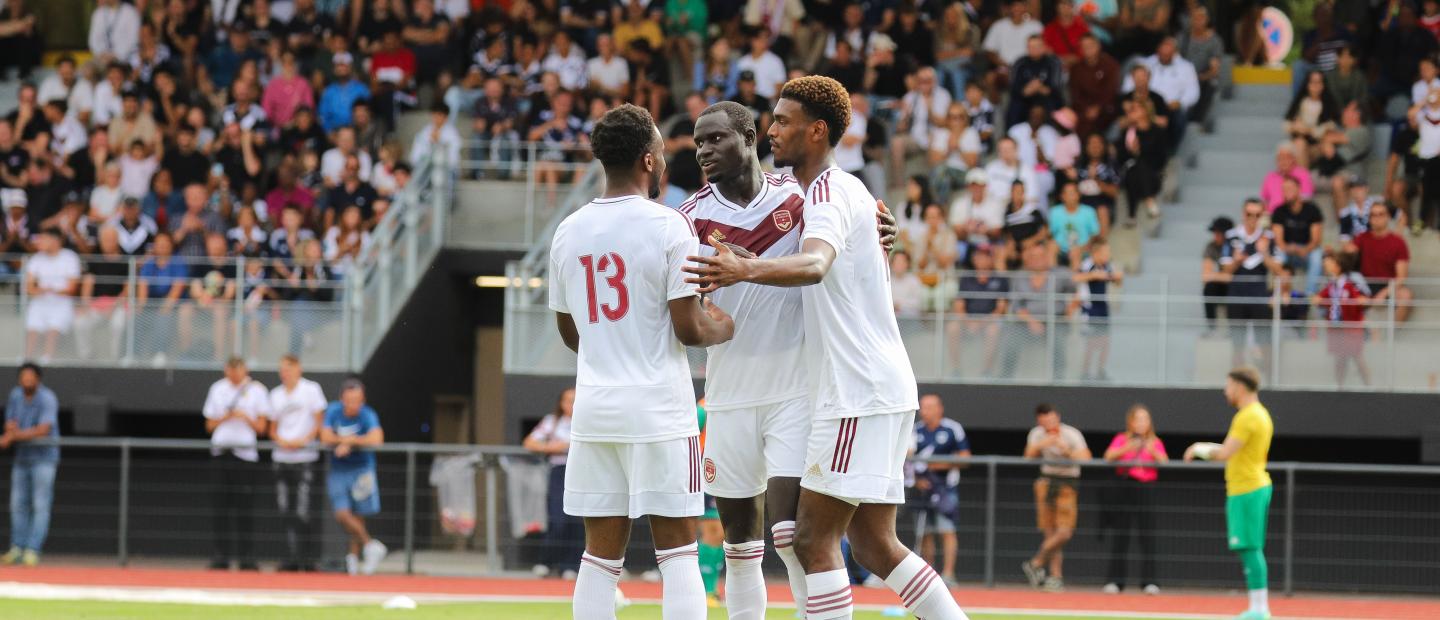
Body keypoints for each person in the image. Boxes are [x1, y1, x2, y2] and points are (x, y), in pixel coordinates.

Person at [684, 76, 969, 620]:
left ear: (817, 131)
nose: (773, 131)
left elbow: (814, 264)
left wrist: (744, 267)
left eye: (783, 121)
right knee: (872, 546)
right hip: (865, 387)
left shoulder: (825, 192)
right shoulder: (849, 190)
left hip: (853, 391)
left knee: (810, 540)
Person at [675, 98, 895, 620]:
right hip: (728, 393)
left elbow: (852, 237)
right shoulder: (687, 219)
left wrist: (889, 234)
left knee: (793, 535)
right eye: (699, 142)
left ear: (750, 137)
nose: (704, 150)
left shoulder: (801, 195)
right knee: (739, 542)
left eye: (716, 139)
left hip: (798, 392)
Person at [548, 103, 734, 619]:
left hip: (595, 411)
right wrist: (726, 324)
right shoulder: (669, 226)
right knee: (678, 554)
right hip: (659, 410)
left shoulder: (568, 230)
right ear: (650, 161)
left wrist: (613, 347)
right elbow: (690, 327)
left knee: (598, 557)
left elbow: (571, 331)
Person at [1184, 367, 1275, 620]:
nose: (1225, 391)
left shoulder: (1248, 416)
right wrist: (1204, 448)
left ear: (1240, 387)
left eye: (1228, 385)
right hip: (1248, 486)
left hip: (1248, 488)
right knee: (1248, 547)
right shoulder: (1259, 414)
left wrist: (1200, 449)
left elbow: (1224, 454)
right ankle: (1258, 607)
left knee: (1250, 548)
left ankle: (1259, 608)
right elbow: (1230, 450)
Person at [202, 357, 270, 571]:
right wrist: (226, 417)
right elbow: (209, 424)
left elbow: (261, 427)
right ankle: (220, 556)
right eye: (229, 371)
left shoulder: (257, 390)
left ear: (244, 370)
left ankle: (246, 557)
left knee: (245, 508)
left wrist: (244, 416)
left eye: (237, 370)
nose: (233, 375)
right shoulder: (217, 389)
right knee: (219, 507)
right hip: (221, 454)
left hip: (245, 457)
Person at [266, 354, 327, 572]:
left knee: (304, 510)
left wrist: (303, 441)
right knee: (285, 510)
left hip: (305, 459)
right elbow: (271, 429)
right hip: (281, 459)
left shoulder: (311, 390)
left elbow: (319, 423)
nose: (285, 373)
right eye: (282, 369)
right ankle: (290, 558)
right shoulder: (275, 394)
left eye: (288, 368)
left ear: (298, 369)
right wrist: (282, 441)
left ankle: (308, 559)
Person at [321, 378, 387, 576]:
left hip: (362, 469)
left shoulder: (368, 414)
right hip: (339, 470)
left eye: (358, 400)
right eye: (350, 400)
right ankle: (370, 544)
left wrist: (351, 442)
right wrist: (344, 440)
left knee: (358, 515)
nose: (354, 405)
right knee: (343, 513)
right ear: (342, 399)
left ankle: (354, 560)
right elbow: (325, 437)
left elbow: (377, 439)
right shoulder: (333, 411)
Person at [1021, 403, 1090, 592]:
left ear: (1057, 416)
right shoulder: (1037, 434)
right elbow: (1028, 456)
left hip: (1067, 483)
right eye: (1044, 419)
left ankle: (1035, 562)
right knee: (1050, 532)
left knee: (1064, 532)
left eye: (1051, 418)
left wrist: (1066, 449)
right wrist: (1043, 444)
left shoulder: (1071, 434)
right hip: (1046, 483)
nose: (1048, 422)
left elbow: (1086, 457)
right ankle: (1055, 576)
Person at [1101, 404, 1167, 595]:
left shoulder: (1155, 441)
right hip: (1125, 486)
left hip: (1146, 488)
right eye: (1138, 419)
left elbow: (1163, 461)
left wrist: (1150, 448)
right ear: (1130, 422)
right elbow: (1109, 456)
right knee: (1121, 534)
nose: (1141, 423)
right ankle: (1115, 580)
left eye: (1145, 419)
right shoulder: (1122, 439)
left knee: (1148, 535)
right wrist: (1129, 446)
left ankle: (1150, 582)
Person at [1, 363, 59, 567]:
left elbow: (43, 429)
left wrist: (14, 435)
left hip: (44, 459)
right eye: (23, 376)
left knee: (40, 505)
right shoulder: (16, 395)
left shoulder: (47, 398)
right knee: (18, 505)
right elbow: (10, 422)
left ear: (38, 379)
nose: (26, 380)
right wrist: (10, 431)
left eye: (30, 377)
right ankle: (17, 548)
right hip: (22, 458)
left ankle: (32, 550)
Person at [912, 394, 971, 587]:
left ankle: (948, 573)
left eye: (929, 407)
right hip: (922, 488)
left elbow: (965, 457)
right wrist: (918, 479)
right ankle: (929, 573)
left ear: (939, 408)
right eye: (922, 407)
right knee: (925, 532)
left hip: (946, 488)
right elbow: (908, 458)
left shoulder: (952, 429)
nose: (924, 411)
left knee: (947, 529)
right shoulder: (915, 430)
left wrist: (937, 465)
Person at [523, 388, 582, 579]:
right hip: (559, 472)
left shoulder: (587, 420)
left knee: (577, 521)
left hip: (583, 473)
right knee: (558, 519)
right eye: (567, 400)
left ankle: (570, 566)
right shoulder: (553, 421)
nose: (570, 405)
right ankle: (547, 561)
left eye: (574, 400)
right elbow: (529, 442)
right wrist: (553, 447)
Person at [1221, 200, 1285, 374]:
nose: (1253, 219)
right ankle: (1237, 383)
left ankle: (1270, 382)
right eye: (1249, 214)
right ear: (1243, 214)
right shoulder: (1231, 236)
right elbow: (1226, 269)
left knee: (1265, 342)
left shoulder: (1269, 237)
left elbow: (1279, 270)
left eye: (1257, 215)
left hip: (1259, 294)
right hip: (1237, 294)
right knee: (1237, 345)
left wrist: (1264, 252)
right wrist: (1237, 259)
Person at [1310, 253, 1371, 387]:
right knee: (1340, 358)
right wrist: (1317, 299)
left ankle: (1368, 386)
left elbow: (1363, 298)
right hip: (1336, 327)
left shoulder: (1349, 283)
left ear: (1338, 266)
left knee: (1357, 356)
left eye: (1330, 263)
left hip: (1350, 328)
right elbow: (1320, 298)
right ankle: (1340, 386)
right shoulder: (1331, 284)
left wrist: (1360, 301)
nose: (1327, 266)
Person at [23, 229, 82, 363]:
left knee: (53, 328)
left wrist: (53, 290)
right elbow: (29, 287)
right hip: (40, 301)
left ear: (55, 240)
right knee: (33, 326)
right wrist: (40, 291)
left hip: (62, 302)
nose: (39, 242)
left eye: (43, 238)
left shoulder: (70, 257)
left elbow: (72, 287)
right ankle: (27, 359)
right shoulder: (36, 258)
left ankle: (48, 358)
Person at [1348, 203, 1413, 323]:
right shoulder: (1361, 238)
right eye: (1373, 215)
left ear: (1388, 217)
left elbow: (1402, 277)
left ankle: (1392, 336)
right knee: (1345, 290)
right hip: (1365, 284)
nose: (1377, 218)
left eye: (1381, 214)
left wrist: (1384, 293)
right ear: (1369, 219)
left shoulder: (1398, 242)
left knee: (1406, 295)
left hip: (1389, 285)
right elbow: (1345, 257)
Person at [1074, 237, 1121, 381]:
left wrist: (1117, 277)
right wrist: (1093, 275)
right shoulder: (1088, 265)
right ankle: (1085, 372)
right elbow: (1076, 277)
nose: (1108, 255)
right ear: (1096, 253)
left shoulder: (1107, 266)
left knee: (1105, 340)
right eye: (1105, 252)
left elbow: (1117, 281)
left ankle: (1101, 371)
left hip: (1103, 308)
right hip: (1090, 308)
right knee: (1091, 342)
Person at [1201, 217, 1235, 334]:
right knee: (1209, 288)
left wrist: (1218, 276)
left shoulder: (1237, 246)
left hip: (1236, 287)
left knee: (1237, 289)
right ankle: (1212, 328)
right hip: (1224, 285)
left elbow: (1238, 278)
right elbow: (1205, 276)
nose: (1215, 236)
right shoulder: (1211, 246)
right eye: (1214, 233)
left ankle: (1235, 329)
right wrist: (1226, 276)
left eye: (1218, 233)